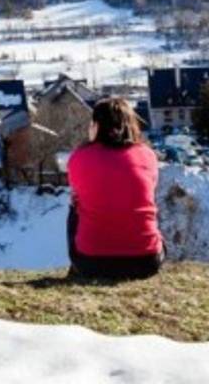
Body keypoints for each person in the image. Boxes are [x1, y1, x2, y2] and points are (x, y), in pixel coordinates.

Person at [66, 96, 163, 280]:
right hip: (147, 262)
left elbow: (77, 192)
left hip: (91, 264)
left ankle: (75, 272)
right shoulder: (148, 156)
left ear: (96, 126)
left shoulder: (79, 157)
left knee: (75, 205)